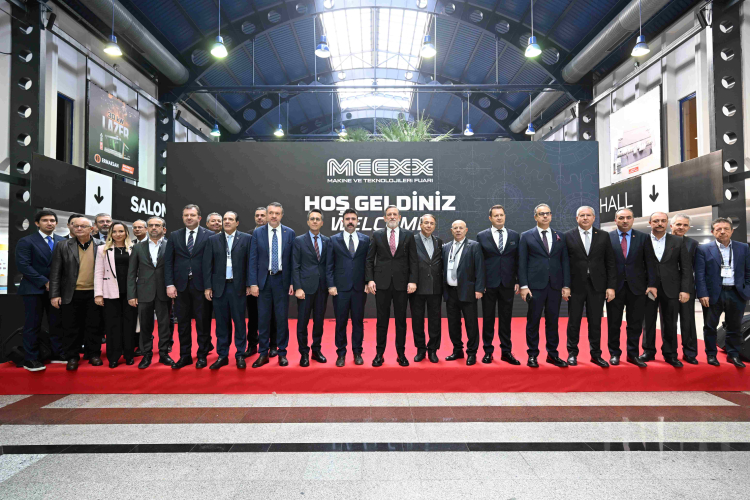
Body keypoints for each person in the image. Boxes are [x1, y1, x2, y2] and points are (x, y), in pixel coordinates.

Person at [518, 203, 570, 368]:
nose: (545, 216)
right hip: (534, 287)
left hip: (555, 286)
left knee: (553, 321)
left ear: (551, 216)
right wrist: (524, 285)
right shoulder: (526, 236)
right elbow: (521, 263)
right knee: (533, 321)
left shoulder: (560, 236)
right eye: (541, 214)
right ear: (535, 217)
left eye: (548, 213)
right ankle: (532, 355)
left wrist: (566, 285)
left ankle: (552, 355)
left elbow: (565, 262)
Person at [563, 206, 616, 368]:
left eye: (588, 215)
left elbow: (610, 262)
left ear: (594, 218)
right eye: (582, 215)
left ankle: (596, 354)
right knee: (574, 322)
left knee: (595, 322)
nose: (585, 218)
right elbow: (564, 263)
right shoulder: (567, 236)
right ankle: (572, 353)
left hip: (597, 286)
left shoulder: (603, 236)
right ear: (577, 218)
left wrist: (611, 286)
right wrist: (565, 285)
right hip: (575, 286)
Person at [695, 217, 750, 367]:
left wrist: (747, 289)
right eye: (718, 229)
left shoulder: (743, 248)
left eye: (726, 229)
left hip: (736, 293)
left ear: (732, 231)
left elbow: (748, 271)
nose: (722, 231)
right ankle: (711, 354)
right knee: (710, 326)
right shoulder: (703, 249)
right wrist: (702, 293)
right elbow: (699, 274)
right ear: (712, 232)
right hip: (713, 294)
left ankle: (733, 355)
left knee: (735, 326)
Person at [49, 216, 103, 370]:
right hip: (70, 293)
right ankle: (72, 357)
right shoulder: (63, 245)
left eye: (83, 226)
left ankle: (93, 354)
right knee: (70, 327)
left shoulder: (101, 245)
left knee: (94, 326)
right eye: (76, 226)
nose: (79, 229)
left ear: (91, 229)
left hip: (95, 293)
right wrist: (54, 294)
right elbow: (55, 272)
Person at [640, 212, 692, 367]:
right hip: (648, 288)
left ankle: (670, 354)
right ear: (650, 222)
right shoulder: (642, 240)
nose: (659, 223)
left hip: (672, 288)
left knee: (670, 322)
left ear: (667, 223)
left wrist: (685, 289)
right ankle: (648, 351)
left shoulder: (677, 241)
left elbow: (686, 268)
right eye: (656, 221)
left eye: (663, 221)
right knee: (648, 321)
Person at [16, 210, 66, 371]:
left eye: (52, 220)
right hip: (33, 289)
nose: (49, 223)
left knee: (56, 323)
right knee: (33, 325)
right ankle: (31, 358)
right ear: (37, 223)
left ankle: (57, 353)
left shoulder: (62, 241)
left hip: (56, 290)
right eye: (45, 220)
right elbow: (23, 265)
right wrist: (45, 282)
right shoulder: (26, 241)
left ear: (56, 223)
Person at [366, 206, 416, 367]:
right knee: (382, 321)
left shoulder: (408, 235)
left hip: (402, 284)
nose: (392, 217)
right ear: (385, 218)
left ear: (399, 217)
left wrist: (413, 280)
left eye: (395, 214)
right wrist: (370, 280)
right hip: (381, 284)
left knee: (401, 321)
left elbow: (413, 260)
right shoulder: (377, 234)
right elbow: (369, 259)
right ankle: (379, 354)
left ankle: (401, 354)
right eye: (389, 215)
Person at [606, 208, 655, 367]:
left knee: (635, 324)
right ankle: (614, 353)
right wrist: (608, 286)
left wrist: (651, 284)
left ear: (633, 219)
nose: (625, 220)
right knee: (614, 323)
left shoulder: (643, 237)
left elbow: (650, 263)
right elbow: (604, 264)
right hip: (614, 288)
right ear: (615, 220)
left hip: (637, 288)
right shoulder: (607, 237)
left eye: (628, 217)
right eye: (621, 218)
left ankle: (632, 354)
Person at [165, 204, 212, 369]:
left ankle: (202, 355)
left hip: (202, 286)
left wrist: (209, 286)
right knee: (183, 324)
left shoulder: (210, 235)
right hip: (180, 287)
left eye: (192, 215)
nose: (189, 218)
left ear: (199, 218)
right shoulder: (174, 235)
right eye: (186, 215)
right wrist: (169, 284)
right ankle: (185, 356)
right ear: (183, 217)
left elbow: (212, 263)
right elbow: (168, 262)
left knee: (202, 323)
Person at [248, 202, 295, 368]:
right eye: (271, 213)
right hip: (264, 281)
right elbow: (253, 259)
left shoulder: (289, 233)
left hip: (282, 280)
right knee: (263, 318)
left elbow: (293, 260)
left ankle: (282, 353)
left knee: (281, 319)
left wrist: (292, 282)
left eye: (277, 213)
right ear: (267, 215)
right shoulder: (258, 233)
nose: (274, 216)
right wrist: (253, 283)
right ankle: (263, 353)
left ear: (282, 215)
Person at [204, 211, 251, 369]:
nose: (227, 221)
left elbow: (250, 264)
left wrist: (249, 284)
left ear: (237, 223)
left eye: (231, 219)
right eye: (225, 219)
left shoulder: (246, 239)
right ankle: (222, 355)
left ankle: (240, 354)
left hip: (238, 287)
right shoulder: (213, 240)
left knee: (239, 322)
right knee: (221, 324)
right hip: (219, 288)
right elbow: (207, 265)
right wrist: (208, 286)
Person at [127, 217, 174, 369]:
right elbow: (131, 273)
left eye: (157, 225)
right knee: (145, 326)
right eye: (151, 225)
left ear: (164, 229)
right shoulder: (137, 247)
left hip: (164, 292)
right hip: (143, 292)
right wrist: (131, 295)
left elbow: (174, 269)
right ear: (147, 229)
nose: (154, 228)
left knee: (164, 325)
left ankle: (164, 353)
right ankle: (146, 354)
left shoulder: (170, 245)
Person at [476, 205, 520, 365]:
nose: (499, 217)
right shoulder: (482, 236)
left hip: (508, 283)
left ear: (505, 216)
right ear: (490, 218)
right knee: (488, 318)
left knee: (506, 319)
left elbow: (518, 260)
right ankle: (488, 351)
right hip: (488, 284)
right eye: (496, 215)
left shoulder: (514, 235)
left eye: (501, 215)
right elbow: (479, 262)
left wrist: (518, 280)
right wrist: (480, 284)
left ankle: (506, 351)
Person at [326, 209, 369, 366]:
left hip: (359, 288)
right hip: (340, 289)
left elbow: (368, 263)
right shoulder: (333, 240)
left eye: (353, 219)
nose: (350, 221)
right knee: (341, 322)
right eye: (347, 219)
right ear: (342, 221)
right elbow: (329, 265)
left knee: (358, 322)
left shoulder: (365, 240)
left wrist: (367, 282)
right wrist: (331, 285)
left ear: (357, 221)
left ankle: (357, 352)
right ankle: (341, 354)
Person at [442, 220, 485, 365]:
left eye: (461, 228)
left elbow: (480, 268)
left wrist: (479, 288)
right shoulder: (446, 247)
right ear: (451, 230)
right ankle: (457, 350)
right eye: (455, 228)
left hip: (468, 292)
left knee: (471, 324)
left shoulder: (474, 246)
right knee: (453, 324)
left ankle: (472, 353)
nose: (458, 230)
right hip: (450, 292)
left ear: (466, 230)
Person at [94, 221, 136, 367]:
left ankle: (129, 355)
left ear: (126, 233)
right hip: (110, 292)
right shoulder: (102, 249)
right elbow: (98, 272)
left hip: (130, 293)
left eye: (121, 231)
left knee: (129, 325)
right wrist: (98, 294)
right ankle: (113, 357)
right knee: (112, 325)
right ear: (110, 233)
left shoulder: (134, 248)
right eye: (115, 231)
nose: (118, 234)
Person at [292, 209, 330, 366]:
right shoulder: (299, 241)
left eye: (317, 219)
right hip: (305, 289)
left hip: (322, 288)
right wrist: (298, 287)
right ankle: (304, 353)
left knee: (319, 322)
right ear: (308, 222)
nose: (315, 221)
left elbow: (328, 265)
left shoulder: (327, 241)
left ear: (322, 222)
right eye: (312, 218)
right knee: (302, 322)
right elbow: (295, 265)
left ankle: (316, 350)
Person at [408, 214, 444, 363]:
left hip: (435, 287)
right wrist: (411, 281)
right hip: (416, 287)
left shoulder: (438, 241)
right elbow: (407, 262)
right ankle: (421, 349)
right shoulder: (411, 240)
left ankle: (433, 350)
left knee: (435, 321)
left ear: (435, 226)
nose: (429, 225)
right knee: (417, 320)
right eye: (426, 223)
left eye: (432, 223)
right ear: (420, 224)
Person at [246, 207, 278, 358]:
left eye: (262, 215)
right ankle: (252, 345)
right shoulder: (248, 236)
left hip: (270, 281)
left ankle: (273, 345)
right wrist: (249, 283)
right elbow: (247, 261)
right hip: (253, 283)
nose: (260, 218)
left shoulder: (275, 234)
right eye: (257, 215)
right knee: (253, 316)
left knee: (272, 315)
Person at [669, 214, 699, 364]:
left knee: (688, 321)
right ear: (671, 226)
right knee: (669, 322)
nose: (681, 227)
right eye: (678, 224)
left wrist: (686, 289)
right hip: (667, 288)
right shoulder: (662, 241)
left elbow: (693, 268)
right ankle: (671, 353)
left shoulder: (693, 244)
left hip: (687, 288)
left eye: (685, 225)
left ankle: (690, 353)